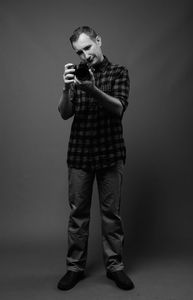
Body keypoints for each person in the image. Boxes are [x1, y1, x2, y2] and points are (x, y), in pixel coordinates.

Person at [57, 26, 134, 291]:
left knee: (111, 215)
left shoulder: (118, 72)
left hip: (111, 154)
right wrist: (68, 88)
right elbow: (64, 113)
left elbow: (118, 108)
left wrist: (91, 89)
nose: (85, 55)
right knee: (78, 215)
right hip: (79, 154)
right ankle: (74, 268)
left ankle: (115, 267)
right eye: (79, 52)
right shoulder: (78, 77)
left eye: (88, 48)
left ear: (99, 41)